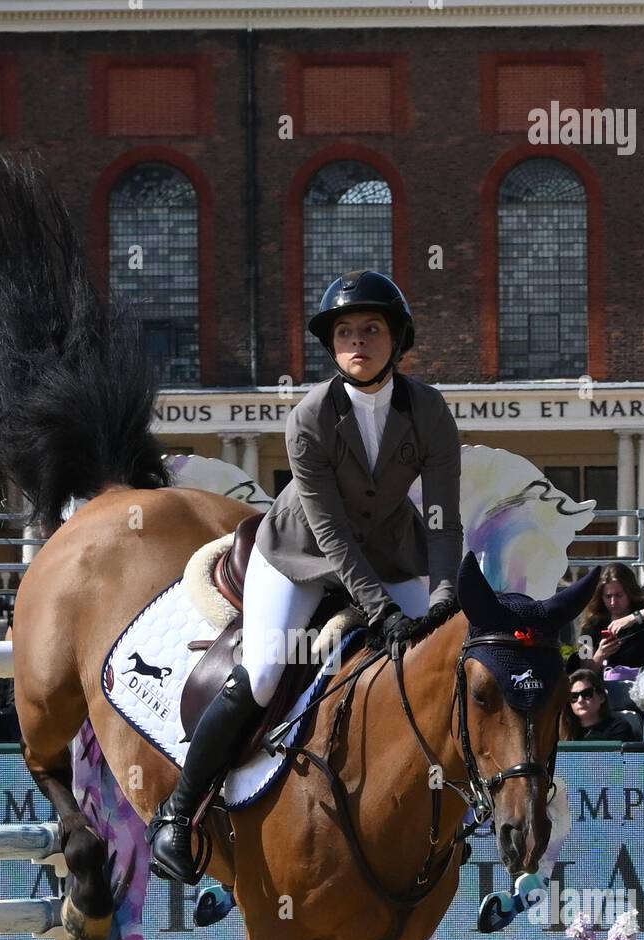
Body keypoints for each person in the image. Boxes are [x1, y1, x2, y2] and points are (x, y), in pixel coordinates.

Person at [147, 268, 464, 883]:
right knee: (265, 668)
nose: (358, 341)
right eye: (345, 331)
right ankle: (179, 813)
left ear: (397, 340)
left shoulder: (428, 409)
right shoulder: (310, 417)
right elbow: (331, 532)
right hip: (299, 553)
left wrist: (445, 590)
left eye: (371, 329)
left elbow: (445, 514)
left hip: (394, 551)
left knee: (442, 662)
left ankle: (455, 813)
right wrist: (382, 609)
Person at [569, 562, 644, 680]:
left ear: (629, 592)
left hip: (642, 683)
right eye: (608, 596)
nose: (613, 602)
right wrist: (601, 654)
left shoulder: (642, 607)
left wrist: (633, 618)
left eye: (619, 595)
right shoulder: (590, 624)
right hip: (605, 689)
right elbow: (584, 671)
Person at [564, 668, 635, 741]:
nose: (580, 700)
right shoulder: (564, 731)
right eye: (574, 696)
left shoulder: (618, 728)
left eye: (587, 694)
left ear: (601, 697)